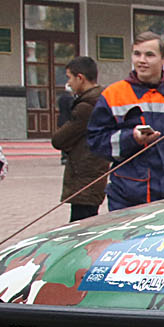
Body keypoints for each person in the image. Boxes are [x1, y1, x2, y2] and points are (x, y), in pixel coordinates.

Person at [86, 31, 164, 210]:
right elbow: (95, 142)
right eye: (137, 54)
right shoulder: (113, 95)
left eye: (149, 55)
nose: (141, 60)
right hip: (127, 197)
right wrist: (131, 138)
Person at [50, 56, 109, 221]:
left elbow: (59, 140)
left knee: (81, 224)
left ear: (80, 78)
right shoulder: (102, 100)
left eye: (70, 78)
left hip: (84, 174)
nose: (68, 83)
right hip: (95, 171)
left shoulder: (86, 107)